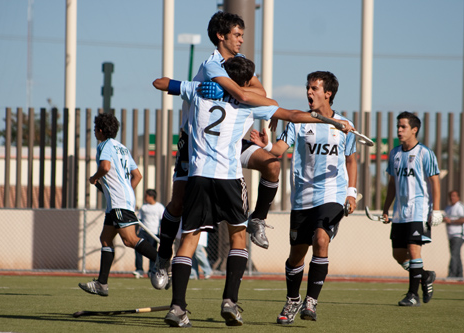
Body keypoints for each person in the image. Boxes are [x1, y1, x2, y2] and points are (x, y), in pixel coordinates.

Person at [152, 57, 353, 328]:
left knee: (188, 241)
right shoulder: (248, 102)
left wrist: (198, 86)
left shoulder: (199, 90)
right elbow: (291, 114)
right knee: (237, 238)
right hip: (229, 179)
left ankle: (177, 308)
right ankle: (230, 302)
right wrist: (332, 122)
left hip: (199, 177)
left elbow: (159, 82)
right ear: (245, 83)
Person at [153, 12, 281, 291]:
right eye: (237, 35)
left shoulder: (238, 65)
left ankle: (257, 218)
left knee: (272, 164)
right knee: (178, 202)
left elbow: (262, 94)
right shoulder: (212, 66)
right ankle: (163, 256)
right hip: (197, 142)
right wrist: (248, 95)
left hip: (230, 141)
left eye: (242, 35)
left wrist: (252, 95)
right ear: (221, 36)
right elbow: (248, 96)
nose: (241, 40)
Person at [251, 71, 357, 325]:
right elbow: (277, 150)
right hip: (302, 198)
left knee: (321, 239)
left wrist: (351, 193)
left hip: (332, 194)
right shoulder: (298, 122)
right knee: (296, 255)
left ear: (328, 93)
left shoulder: (345, 125)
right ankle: (293, 299)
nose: (309, 92)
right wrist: (264, 146)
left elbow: (351, 160)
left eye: (314, 88)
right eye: (308, 87)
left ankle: (311, 301)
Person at [78, 113, 157, 296]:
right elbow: (137, 175)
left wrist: (94, 178)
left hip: (118, 201)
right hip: (118, 201)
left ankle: (163, 262)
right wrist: (126, 191)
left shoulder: (104, 145)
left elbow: (105, 167)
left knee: (130, 240)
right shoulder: (122, 148)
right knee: (105, 239)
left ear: (100, 130)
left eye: (95, 128)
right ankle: (102, 284)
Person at [382, 111, 442, 306]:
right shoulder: (394, 153)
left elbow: (435, 182)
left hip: (419, 210)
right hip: (400, 212)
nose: (399, 130)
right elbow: (392, 183)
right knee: (398, 254)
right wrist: (385, 208)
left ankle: (412, 295)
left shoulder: (425, 153)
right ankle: (425, 276)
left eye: (403, 127)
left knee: (414, 250)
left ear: (414, 129)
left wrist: (437, 209)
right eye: (398, 126)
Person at [133, 189, 165, 278]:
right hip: (143, 232)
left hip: (154, 233)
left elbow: (163, 221)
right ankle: (139, 269)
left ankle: (151, 270)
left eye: (146, 196)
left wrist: (162, 234)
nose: (145, 198)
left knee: (152, 251)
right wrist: (135, 232)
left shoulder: (160, 207)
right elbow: (139, 220)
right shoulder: (144, 207)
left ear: (151, 197)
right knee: (138, 249)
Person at [443, 190, 464, 280]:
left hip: (459, 235)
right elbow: (444, 218)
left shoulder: (461, 207)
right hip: (450, 235)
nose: (452, 198)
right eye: (451, 196)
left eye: (454, 196)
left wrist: (452, 221)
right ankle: (460, 275)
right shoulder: (448, 208)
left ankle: (452, 275)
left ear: (458, 197)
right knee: (456, 254)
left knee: (454, 254)